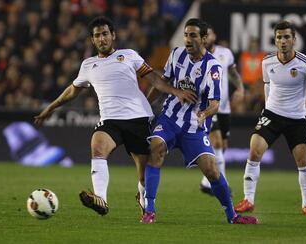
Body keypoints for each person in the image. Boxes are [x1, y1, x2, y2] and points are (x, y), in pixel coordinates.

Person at [34, 16, 197, 218]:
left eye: (104, 34)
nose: (101, 39)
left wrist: (177, 92)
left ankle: (143, 196)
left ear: (113, 35)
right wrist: (50, 108)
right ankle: (101, 199)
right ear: (92, 40)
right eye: (97, 36)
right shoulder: (88, 65)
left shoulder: (129, 55)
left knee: (144, 175)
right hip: (110, 120)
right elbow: (72, 91)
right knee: (98, 146)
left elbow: (154, 78)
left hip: (138, 118)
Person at [141, 18, 258, 224]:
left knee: (212, 170)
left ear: (204, 39)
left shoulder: (213, 66)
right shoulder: (176, 54)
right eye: (186, 34)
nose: (188, 39)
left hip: (195, 126)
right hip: (169, 119)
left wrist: (205, 114)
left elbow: (215, 102)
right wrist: (145, 107)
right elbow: (162, 82)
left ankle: (232, 215)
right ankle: (149, 210)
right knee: (156, 149)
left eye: (193, 35)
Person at [234, 20, 306, 216]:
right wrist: (267, 106)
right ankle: (248, 199)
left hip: (296, 118)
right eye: (279, 37)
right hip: (272, 114)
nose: (283, 41)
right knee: (254, 150)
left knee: (303, 159)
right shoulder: (267, 61)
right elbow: (267, 85)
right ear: (275, 40)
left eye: (287, 37)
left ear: (294, 40)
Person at [199, 24, 244, 195]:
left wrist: (240, 88)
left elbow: (233, 73)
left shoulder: (225, 53)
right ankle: (222, 186)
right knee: (216, 142)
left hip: (225, 108)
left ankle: (206, 181)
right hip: (210, 106)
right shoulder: (199, 56)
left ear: (214, 36)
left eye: (209, 34)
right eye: (204, 35)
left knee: (222, 146)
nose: (207, 37)